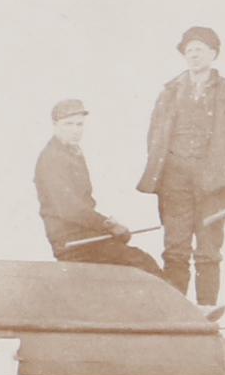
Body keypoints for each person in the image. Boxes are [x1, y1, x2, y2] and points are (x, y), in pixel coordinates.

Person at [140, 26, 225, 309]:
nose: (193, 55)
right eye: (189, 50)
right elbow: (154, 136)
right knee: (175, 249)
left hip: (214, 183)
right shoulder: (169, 92)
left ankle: (206, 309)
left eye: (200, 50)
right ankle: (176, 313)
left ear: (213, 54)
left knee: (208, 252)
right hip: (174, 183)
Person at [33, 99, 162, 272]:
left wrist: (108, 228)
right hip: (71, 242)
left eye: (79, 125)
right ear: (55, 125)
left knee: (139, 262)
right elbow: (70, 209)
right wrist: (108, 225)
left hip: (86, 235)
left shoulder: (71, 152)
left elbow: (84, 204)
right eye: (68, 124)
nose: (75, 130)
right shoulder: (52, 159)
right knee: (141, 263)